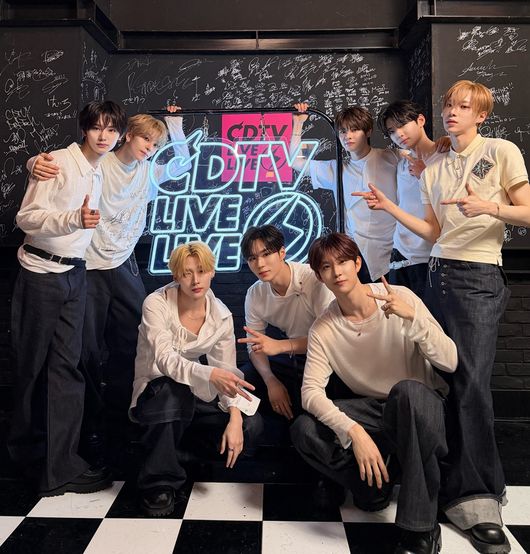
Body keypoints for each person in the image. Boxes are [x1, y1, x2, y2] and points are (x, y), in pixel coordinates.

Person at [354, 80, 530, 553]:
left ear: (481, 114)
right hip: (437, 273)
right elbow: (432, 231)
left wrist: (489, 206)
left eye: (463, 106)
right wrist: (389, 206)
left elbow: (528, 212)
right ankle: (436, 484)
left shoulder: (501, 151)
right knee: (438, 377)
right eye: (449, 104)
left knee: (471, 383)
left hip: (478, 275)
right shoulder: (434, 167)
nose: (453, 111)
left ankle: (477, 496)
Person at [27, 107, 191, 462]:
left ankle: (125, 419)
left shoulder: (147, 170)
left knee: (136, 343)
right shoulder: (101, 165)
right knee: (86, 351)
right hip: (88, 268)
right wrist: (33, 163)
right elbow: (68, 166)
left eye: (155, 143)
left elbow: (184, 164)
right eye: (145, 138)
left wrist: (175, 127)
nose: (149, 147)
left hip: (124, 265)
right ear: (127, 135)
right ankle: (91, 427)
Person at [290, 232, 457, 554]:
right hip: (373, 412)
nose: (337, 272)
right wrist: (354, 432)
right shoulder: (323, 328)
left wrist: (412, 319)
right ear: (319, 277)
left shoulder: (399, 296)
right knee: (304, 428)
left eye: (343, 262)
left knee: (407, 392)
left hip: (421, 405)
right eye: (326, 267)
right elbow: (310, 392)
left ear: (357, 264)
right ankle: (373, 485)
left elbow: (450, 362)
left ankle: (420, 527)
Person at [8, 100, 127, 496]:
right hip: (40, 274)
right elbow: (26, 218)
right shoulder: (56, 163)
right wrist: (72, 218)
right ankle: (28, 462)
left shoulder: (98, 169)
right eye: (97, 128)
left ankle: (60, 466)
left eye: (111, 129)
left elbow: (144, 155)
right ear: (84, 129)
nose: (104, 136)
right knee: (31, 371)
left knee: (66, 372)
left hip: (75, 274)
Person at [130, 242, 263, 517]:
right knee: (172, 391)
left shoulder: (221, 315)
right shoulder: (156, 303)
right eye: (187, 273)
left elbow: (226, 369)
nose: (195, 280)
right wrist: (210, 374)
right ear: (175, 275)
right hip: (156, 390)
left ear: (212, 271)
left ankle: (180, 454)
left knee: (251, 425)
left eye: (201, 271)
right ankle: (159, 482)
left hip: (195, 394)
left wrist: (235, 417)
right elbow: (165, 360)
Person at [290, 102, 399, 282]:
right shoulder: (338, 168)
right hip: (357, 253)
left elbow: (422, 154)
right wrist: (298, 123)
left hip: (393, 250)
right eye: (342, 131)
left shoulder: (392, 157)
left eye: (354, 130)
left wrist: (444, 142)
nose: (348, 136)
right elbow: (296, 162)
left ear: (368, 131)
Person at [238, 225, 334, 420]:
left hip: (328, 354)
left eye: (266, 254)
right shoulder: (255, 293)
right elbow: (254, 345)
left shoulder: (313, 279)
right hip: (292, 355)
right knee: (242, 380)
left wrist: (279, 346)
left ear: (282, 253)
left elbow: (331, 338)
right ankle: (251, 432)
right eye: (252, 258)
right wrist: (270, 380)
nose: (260, 264)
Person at [377, 100, 446, 298]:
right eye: (391, 131)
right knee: (399, 316)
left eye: (402, 125)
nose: (398, 134)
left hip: (431, 257)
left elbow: (451, 202)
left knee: (431, 316)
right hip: (400, 255)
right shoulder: (401, 162)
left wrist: (425, 174)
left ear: (420, 120)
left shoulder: (445, 157)